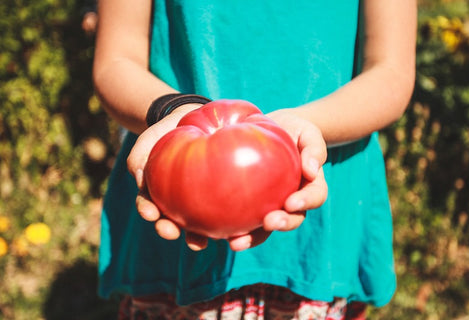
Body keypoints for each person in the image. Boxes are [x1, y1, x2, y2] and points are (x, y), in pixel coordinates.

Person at [93, 1, 417, 319]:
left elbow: (391, 73)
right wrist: (175, 110)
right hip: (177, 196)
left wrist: (301, 133)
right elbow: (116, 62)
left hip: (322, 210)